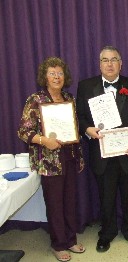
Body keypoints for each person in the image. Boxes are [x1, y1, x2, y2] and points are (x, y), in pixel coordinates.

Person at [76, 46, 128, 252]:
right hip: (102, 153)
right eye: (105, 60)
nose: (109, 64)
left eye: (114, 59)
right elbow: (79, 115)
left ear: (121, 63)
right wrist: (87, 129)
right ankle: (106, 234)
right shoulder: (86, 86)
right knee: (106, 197)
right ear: (99, 64)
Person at [17, 57, 85, 262]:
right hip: (49, 160)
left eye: (60, 73)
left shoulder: (69, 98)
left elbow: (75, 127)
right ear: (44, 77)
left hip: (70, 156)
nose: (57, 77)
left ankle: (71, 239)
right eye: (52, 73)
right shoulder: (35, 100)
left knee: (70, 201)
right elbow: (23, 131)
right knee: (55, 203)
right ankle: (58, 244)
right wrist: (44, 140)